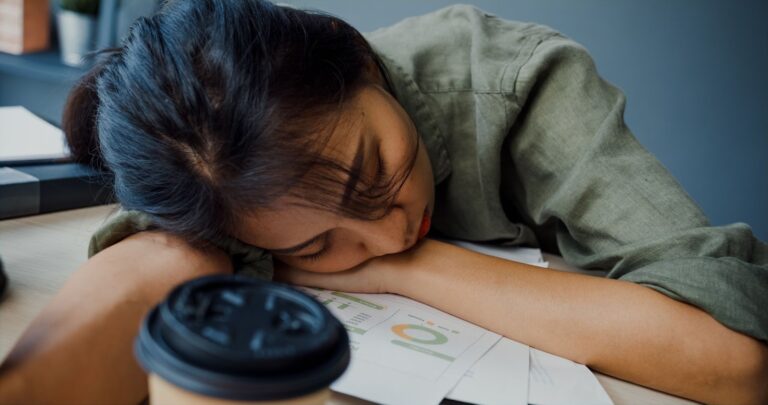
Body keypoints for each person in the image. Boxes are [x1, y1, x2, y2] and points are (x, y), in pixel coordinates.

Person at [1, 1, 766, 403]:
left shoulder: (514, 81)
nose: (390, 228)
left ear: (358, 57)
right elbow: (155, 262)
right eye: (313, 246)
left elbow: (735, 359)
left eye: (377, 171)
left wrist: (411, 271)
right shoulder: (214, 181)